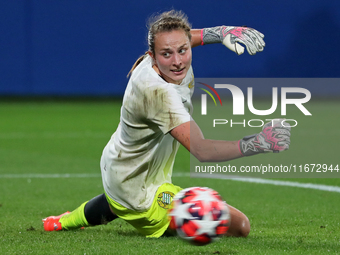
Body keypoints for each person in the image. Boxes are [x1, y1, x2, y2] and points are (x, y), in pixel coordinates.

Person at [43, 10, 290, 238]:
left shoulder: (164, 55)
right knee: (240, 227)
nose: (177, 61)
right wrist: (258, 143)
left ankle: (64, 221)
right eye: (166, 54)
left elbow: (182, 39)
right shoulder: (159, 94)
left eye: (183, 50)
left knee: (117, 199)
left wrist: (223, 32)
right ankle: (121, 209)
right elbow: (202, 150)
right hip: (140, 194)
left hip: (122, 164)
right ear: (152, 55)